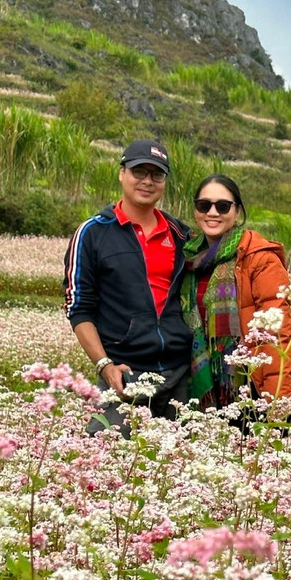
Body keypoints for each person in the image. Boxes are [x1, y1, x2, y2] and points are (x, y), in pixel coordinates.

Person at [63, 139, 191, 431]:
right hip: (124, 373)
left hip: (179, 372)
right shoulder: (93, 233)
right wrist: (104, 365)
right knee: (106, 460)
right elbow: (78, 307)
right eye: (139, 172)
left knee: (177, 467)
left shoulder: (181, 234)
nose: (147, 181)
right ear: (122, 173)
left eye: (156, 175)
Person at [180, 174, 291, 420]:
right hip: (207, 386)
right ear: (196, 210)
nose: (212, 212)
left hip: (253, 385)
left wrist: (277, 403)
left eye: (222, 206)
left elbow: (276, 333)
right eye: (204, 205)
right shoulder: (188, 260)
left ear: (237, 211)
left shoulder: (259, 257)